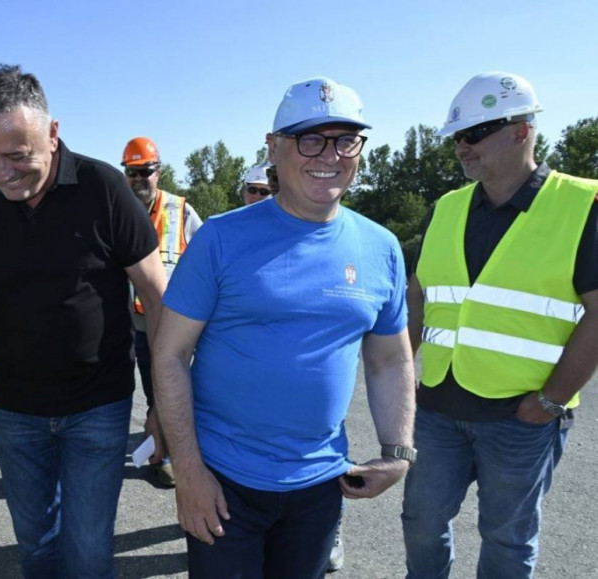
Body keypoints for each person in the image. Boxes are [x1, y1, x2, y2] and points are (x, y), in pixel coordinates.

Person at [152, 77, 417, 578]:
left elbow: (390, 359)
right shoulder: (220, 238)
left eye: (346, 140)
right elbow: (170, 354)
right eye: (310, 139)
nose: (330, 155)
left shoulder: (380, 247)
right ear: (273, 148)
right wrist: (188, 473)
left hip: (321, 486)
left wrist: (398, 453)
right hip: (223, 481)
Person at [0, 64, 168, 578]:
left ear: (53, 133)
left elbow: (157, 299)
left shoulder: (104, 188)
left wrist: (164, 406)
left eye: (18, 155)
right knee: (36, 549)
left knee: (87, 553)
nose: (2, 172)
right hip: (14, 409)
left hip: (98, 406)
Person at [402, 71, 598, 578]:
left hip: (522, 416)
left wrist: (550, 400)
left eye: (474, 133)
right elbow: (419, 296)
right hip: (438, 407)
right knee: (421, 520)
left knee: (507, 538)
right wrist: (401, 382)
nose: (461, 147)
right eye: (457, 136)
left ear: (521, 131)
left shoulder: (582, 204)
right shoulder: (446, 208)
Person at [121, 136, 202, 488]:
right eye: (132, 172)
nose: (139, 179)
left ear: (159, 171)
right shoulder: (117, 206)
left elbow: (204, 262)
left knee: (167, 385)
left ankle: (166, 455)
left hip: (171, 320)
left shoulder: (181, 211)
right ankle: (145, 446)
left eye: (146, 171)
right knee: (132, 387)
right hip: (126, 319)